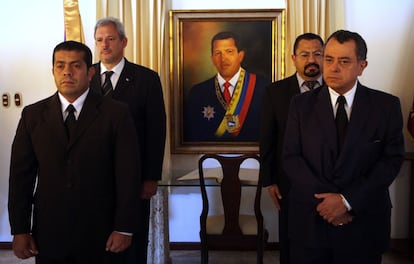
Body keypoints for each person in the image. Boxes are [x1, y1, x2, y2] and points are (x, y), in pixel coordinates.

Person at [8, 40, 141, 263]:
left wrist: (124, 228)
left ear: (90, 72)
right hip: (50, 233)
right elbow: (21, 177)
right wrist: (20, 229)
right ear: (53, 71)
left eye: (75, 66)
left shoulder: (116, 114)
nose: (67, 72)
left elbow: (128, 174)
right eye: (60, 66)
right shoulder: (32, 115)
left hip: (102, 232)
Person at [283, 29, 405, 264]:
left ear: (362, 66)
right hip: (312, 223)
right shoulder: (300, 105)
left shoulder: (386, 106)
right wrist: (327, 203)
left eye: (344, 61)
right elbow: (291, 158)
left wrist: (347, 201)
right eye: (328, 59)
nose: (333, 67)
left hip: (363, 223)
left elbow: (391, 161)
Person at [90, 17, 166, 264]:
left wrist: (151, 177)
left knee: (131, 243)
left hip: (133, 178)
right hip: (92, 178)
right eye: (100, 40)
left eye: (111, 39)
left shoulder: (146, 79)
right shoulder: (85, 76)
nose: (105, 45)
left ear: (123, 42)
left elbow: (156, 130)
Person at [259, 32, 324, 264]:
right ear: (293, 58)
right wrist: (269, 180)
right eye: (305, 54)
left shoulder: (337, 90)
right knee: (292, 239)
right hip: (289, 181)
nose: (311, 60)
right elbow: (267, 139)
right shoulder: (275, 92)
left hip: (328, 179)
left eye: (317, 54)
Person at [184, 31, 270, 142]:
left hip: (255, 158)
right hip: (209, 158)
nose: (223, 58)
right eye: (217, 53)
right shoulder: (198, 92)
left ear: (240, 55)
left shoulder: (263, 87)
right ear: (212, 59)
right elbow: (192, 135)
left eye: (229, 52)